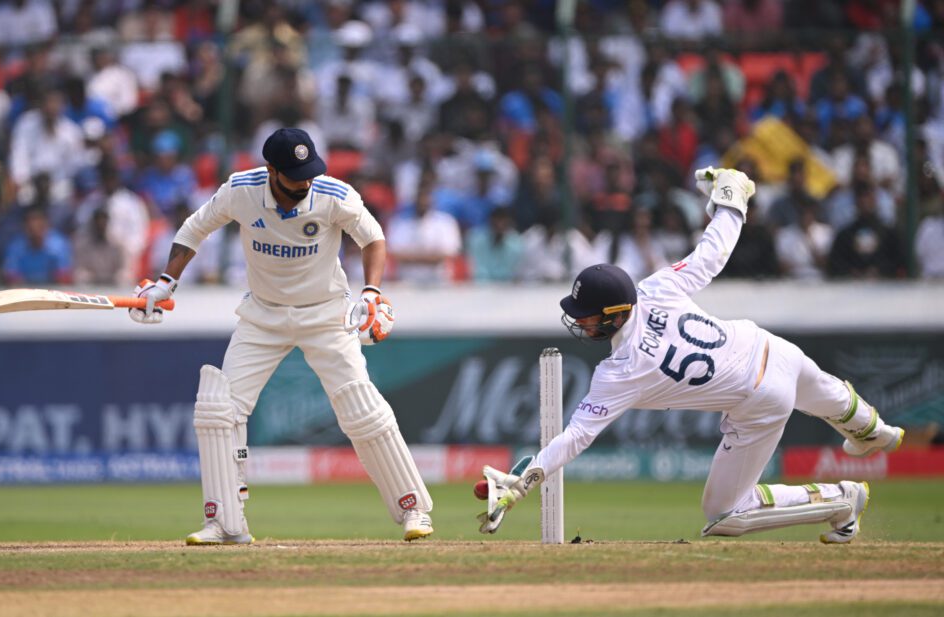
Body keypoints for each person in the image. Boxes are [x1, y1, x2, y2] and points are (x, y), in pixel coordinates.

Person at [478, 168, 904, 544]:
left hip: (759, 400)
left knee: (724, 514)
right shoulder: (654, 287)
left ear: (613, 315)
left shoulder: (622, 370)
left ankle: (842, 499)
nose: (582, 325)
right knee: (830, 400)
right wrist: (731, 200)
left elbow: (575, 438)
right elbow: (711, 254)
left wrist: (520, 483)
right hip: (771, 347)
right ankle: (876, 428)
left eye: (587, 318)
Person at [129, 128, 434, 545]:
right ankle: (225, 522)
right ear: (271, 170)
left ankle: (413, 508)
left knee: (360, 405)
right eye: (293, 175)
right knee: (220, 409)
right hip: (263, 316)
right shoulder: (241, 191)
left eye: (308, 173)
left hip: (326, 314)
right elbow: (193, 229)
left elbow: (373, 237)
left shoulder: (332, 194)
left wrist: (372, 292)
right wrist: (165, 282)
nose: (304, 183)